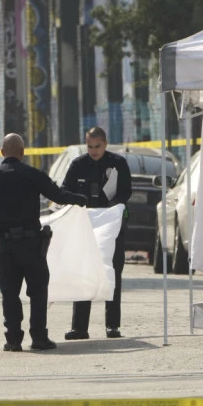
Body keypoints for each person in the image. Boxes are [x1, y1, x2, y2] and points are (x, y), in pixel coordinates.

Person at [0, 133, 87, 351]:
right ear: (22, 152)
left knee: (9, 293)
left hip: (4, 247)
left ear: (2, 153)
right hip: (31, 246)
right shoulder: (33, 175)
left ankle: (13, 339)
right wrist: (80, 199)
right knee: (38, 291)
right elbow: (58, 195)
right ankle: (39, 337)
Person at [62, 127, 132, 340]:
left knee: (112, 273)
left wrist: (110, 209)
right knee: (84, 273)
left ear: (105, 144)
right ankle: (79, 327)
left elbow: (125, 192)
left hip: (111, 227)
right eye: (90, 147)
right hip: (85, 227)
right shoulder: (78, 165)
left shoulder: (118, 163)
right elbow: (65, 190)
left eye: (97, 146)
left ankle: (113, 325)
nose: (93, 151)